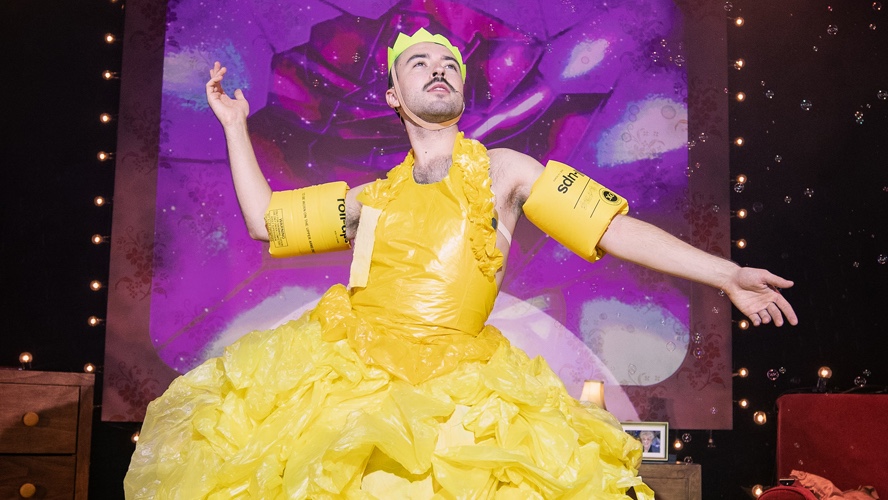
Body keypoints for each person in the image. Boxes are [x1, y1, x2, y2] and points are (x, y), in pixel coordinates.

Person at [124, 28, 797, 499]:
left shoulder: (504, 171)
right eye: (419, 63)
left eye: (448, 63)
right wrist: (234, 126)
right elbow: (265, 222)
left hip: (458, 395)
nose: (438, 68)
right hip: (349, 378)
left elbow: (611, 227)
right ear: (394, 95)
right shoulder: (370, 198)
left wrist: (725, 274)